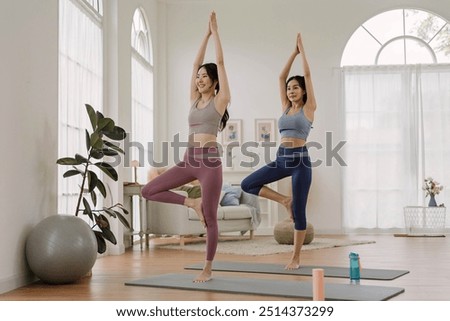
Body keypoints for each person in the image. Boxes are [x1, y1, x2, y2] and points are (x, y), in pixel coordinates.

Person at [141, 11, 230, 282]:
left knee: (211, 219)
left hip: (210, 163)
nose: (199, 78)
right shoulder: (194, 100)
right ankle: (192, 202)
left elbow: (222, 62)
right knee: (149, 190)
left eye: (205, 76)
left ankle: (207, 267)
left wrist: (215, 34)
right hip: (189, 159)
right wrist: (203, 34)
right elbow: (193, 65)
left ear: (214, 82)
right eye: (199, 77)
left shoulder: (220, 100)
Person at [241, 33, 316, 270]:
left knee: (301, 213)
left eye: (295, 88)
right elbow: (281, 76)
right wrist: (292, 53)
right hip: (281, 159)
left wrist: (302, 51)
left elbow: (308, 75)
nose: (291, 91)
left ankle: (295, 257)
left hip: (300, 162)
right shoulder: (285, 108)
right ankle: (285, 200)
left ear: (303, 92)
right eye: (289, 89)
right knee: (247, 184)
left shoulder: (310, 108)